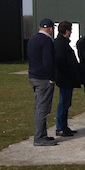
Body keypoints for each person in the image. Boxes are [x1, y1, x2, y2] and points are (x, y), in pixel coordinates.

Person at [27, 18, 57, 146]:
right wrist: (51, 77)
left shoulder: (32, 39)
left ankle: (43, 135)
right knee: (42, 108)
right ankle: (39, 138)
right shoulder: (46, 41)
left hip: (33, 76)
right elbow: (47, 61)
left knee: (40, 105)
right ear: (50, 28)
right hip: (43, 78)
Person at [54, 21, 81, 137]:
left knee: (66, 103)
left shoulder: (63, 43)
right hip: (64, 79)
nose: (70, 33)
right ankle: (60, 128)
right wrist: (68, 73)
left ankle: (64, 127)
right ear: (66, 31)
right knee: (63, 103)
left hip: (67, 79)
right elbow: (60, 62)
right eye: (70, 30)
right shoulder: (60, 44)